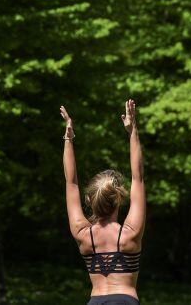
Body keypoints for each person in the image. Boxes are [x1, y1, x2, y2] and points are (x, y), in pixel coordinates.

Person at [60, 99, 145, 305]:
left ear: (89, 200)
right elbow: (138, 178)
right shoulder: (130, 234)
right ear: (118, 200)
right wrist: (133, 131)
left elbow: (71, 183)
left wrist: (68, 139)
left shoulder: (83, 235)